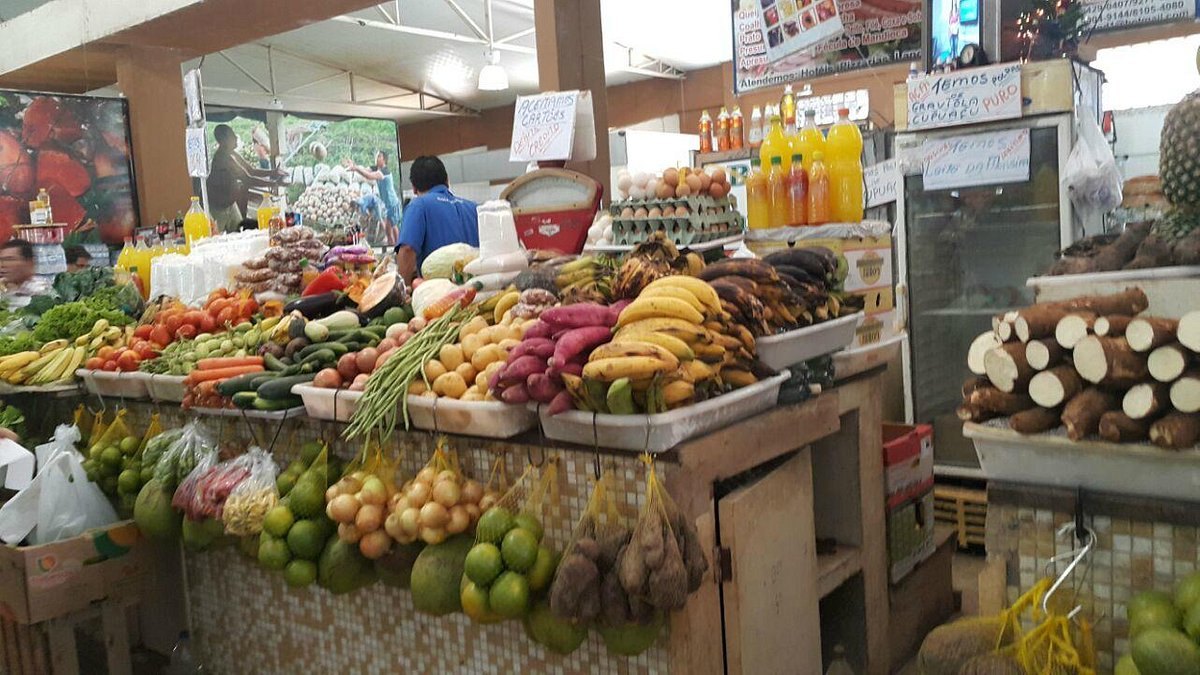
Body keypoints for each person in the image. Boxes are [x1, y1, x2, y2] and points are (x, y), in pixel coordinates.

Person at [393, 156, 479, 282]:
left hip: (440, 296)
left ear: (414, 188)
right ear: (447, 181)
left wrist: (403, 289)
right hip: (478, 292)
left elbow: (407, 249)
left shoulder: (418, 206)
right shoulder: (474, 208)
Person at [206, 124, 281, 234]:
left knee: (239, 233)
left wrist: (272, 172)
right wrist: (273, 183)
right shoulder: (222, 158)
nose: (236, 138)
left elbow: (251, 170)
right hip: (218, 209)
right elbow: (247, 179)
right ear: (223, 140)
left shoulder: (232, 154)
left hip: (230, 206)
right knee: (216, 238)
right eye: (232, 135)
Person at [344, 150, 402, 246]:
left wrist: (356, 169)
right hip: (387, 205)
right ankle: (394, 245)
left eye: (379, 156)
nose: (376, 157)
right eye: (376, 155)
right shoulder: (376, 168)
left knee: (392, 227)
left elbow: (369, 176)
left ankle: (397, 245)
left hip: (392, 203)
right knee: (390, 227)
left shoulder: (384, 171)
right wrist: (355, 166)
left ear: (384, 160)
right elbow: (366, 170)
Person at [0, 239, 49, 308]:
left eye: (9, 259)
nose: (2, 265)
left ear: (29, 262)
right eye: (2, 260)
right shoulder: (4, 289)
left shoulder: (42, 292)